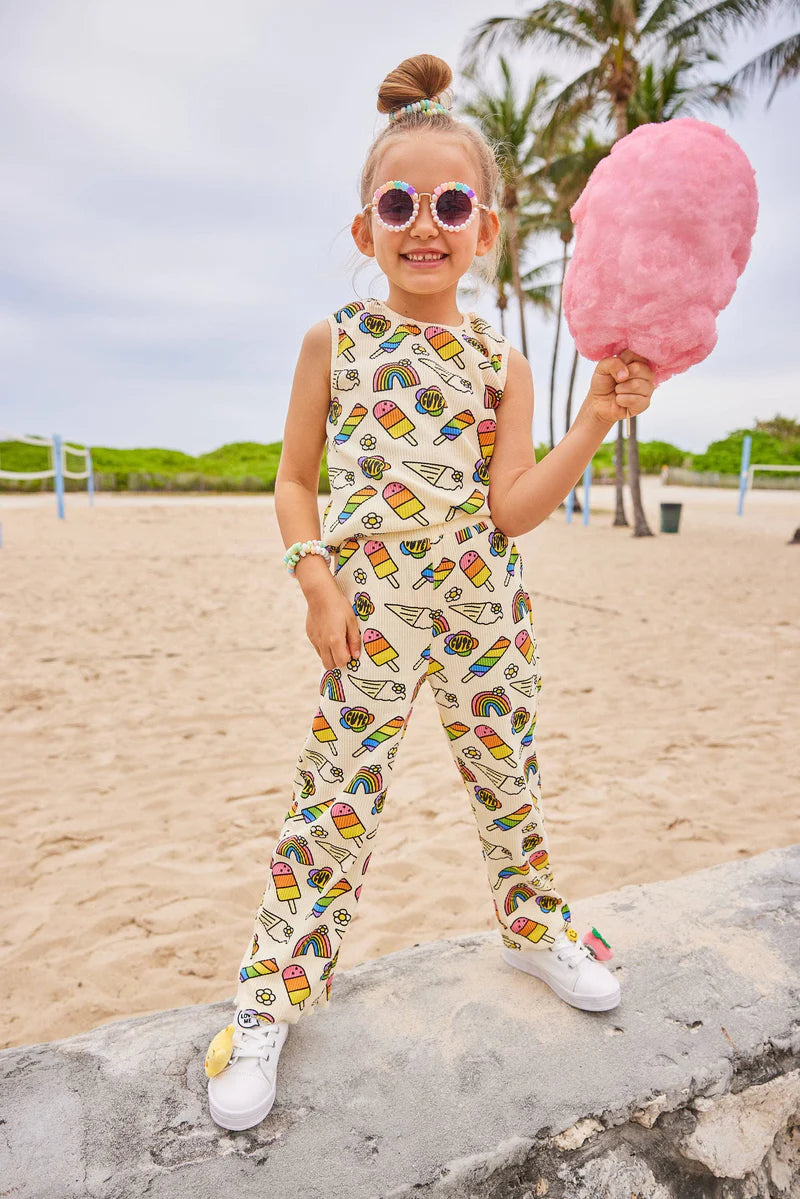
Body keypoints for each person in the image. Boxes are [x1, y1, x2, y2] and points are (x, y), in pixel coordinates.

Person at [206, 52, 655, 1132]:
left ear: (485, 228)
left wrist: (592, 422)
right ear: (363, 228)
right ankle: (268, 995)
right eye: (397, 203)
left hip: (483, 612)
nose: (424, 224)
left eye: (450, 203)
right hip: (365, 612)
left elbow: (509, 508)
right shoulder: (337, 339)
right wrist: (315, 583)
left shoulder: (504, 362)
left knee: (509, 781)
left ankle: (531, 921)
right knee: (334, 805)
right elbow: (294, 479)